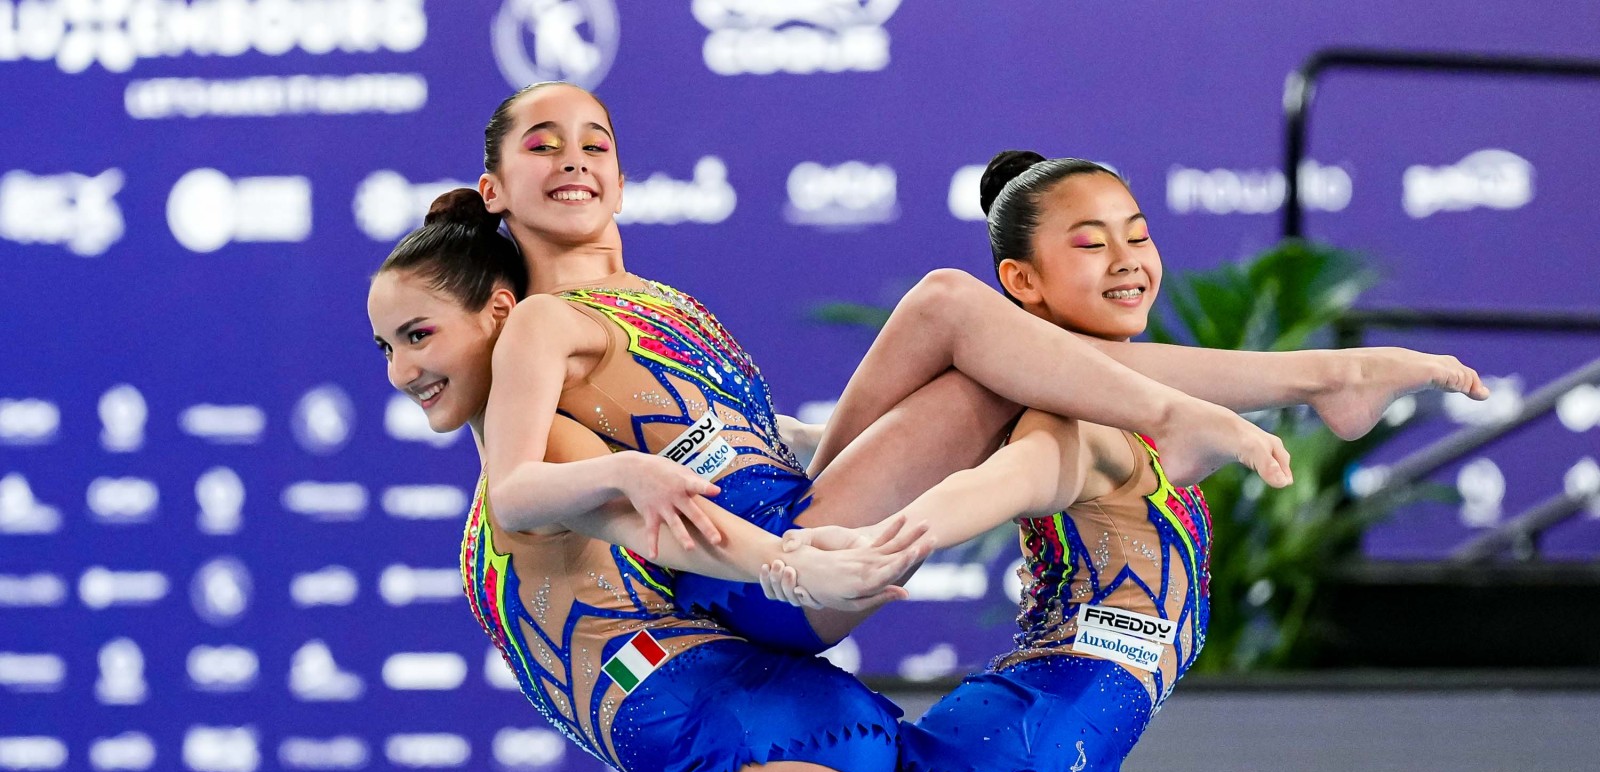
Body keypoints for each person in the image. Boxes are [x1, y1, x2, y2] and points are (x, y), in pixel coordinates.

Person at [470, 80, 1483, 656]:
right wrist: (633, 476)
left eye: (595, 143)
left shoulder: (664, 303)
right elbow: (513, 487)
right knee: (955, 309)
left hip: (801, 506)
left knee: (1007, 352)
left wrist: (824, 445)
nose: (575, 159)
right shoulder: (540, 322)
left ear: (621, 177)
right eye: (544, 147)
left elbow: (739, 434)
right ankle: (1252, 395)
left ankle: (1318, 379)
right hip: (764, 566)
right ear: (494, 190)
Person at [763, 151, 1485, 772]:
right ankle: (1330, 377)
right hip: (1008, 761)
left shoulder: (1100, 406)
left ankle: (1330, 378)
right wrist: (886, 539)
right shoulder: (1065, 422)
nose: (1126, 259)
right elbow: (1004, 480)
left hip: (1051, 766)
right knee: (962, 314)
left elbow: (1081, 380)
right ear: (1022, 282)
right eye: (1090, 243)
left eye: (1137, 236)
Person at [367, 192, 934, 772]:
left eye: (419, 336)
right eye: (386, 347)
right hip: (765, 737)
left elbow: (662, 525)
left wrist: (790, 564)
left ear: (500, 315)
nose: (400, 371)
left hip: (754, 743)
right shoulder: (533, 466)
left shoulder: (554, 449)